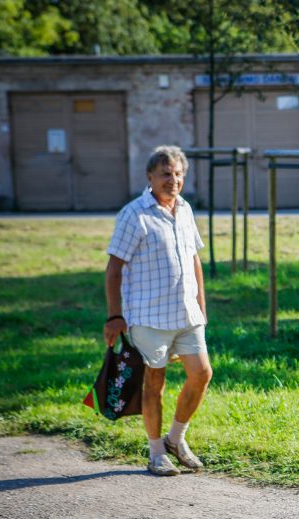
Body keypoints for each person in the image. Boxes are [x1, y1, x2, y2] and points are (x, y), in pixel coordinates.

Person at [103, 145, 212, 478]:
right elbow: (114, 267)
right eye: (166, 173)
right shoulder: (134, 214)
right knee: (155, 383)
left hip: (186, 314)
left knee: (202, 374)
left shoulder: (185, 209)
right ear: (150, 177)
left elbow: (194, 260)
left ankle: (175, 440)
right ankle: (155, 453)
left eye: (178, 173)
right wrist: (114, 316)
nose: (173, 180)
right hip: (148, 317)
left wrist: (201, 309)